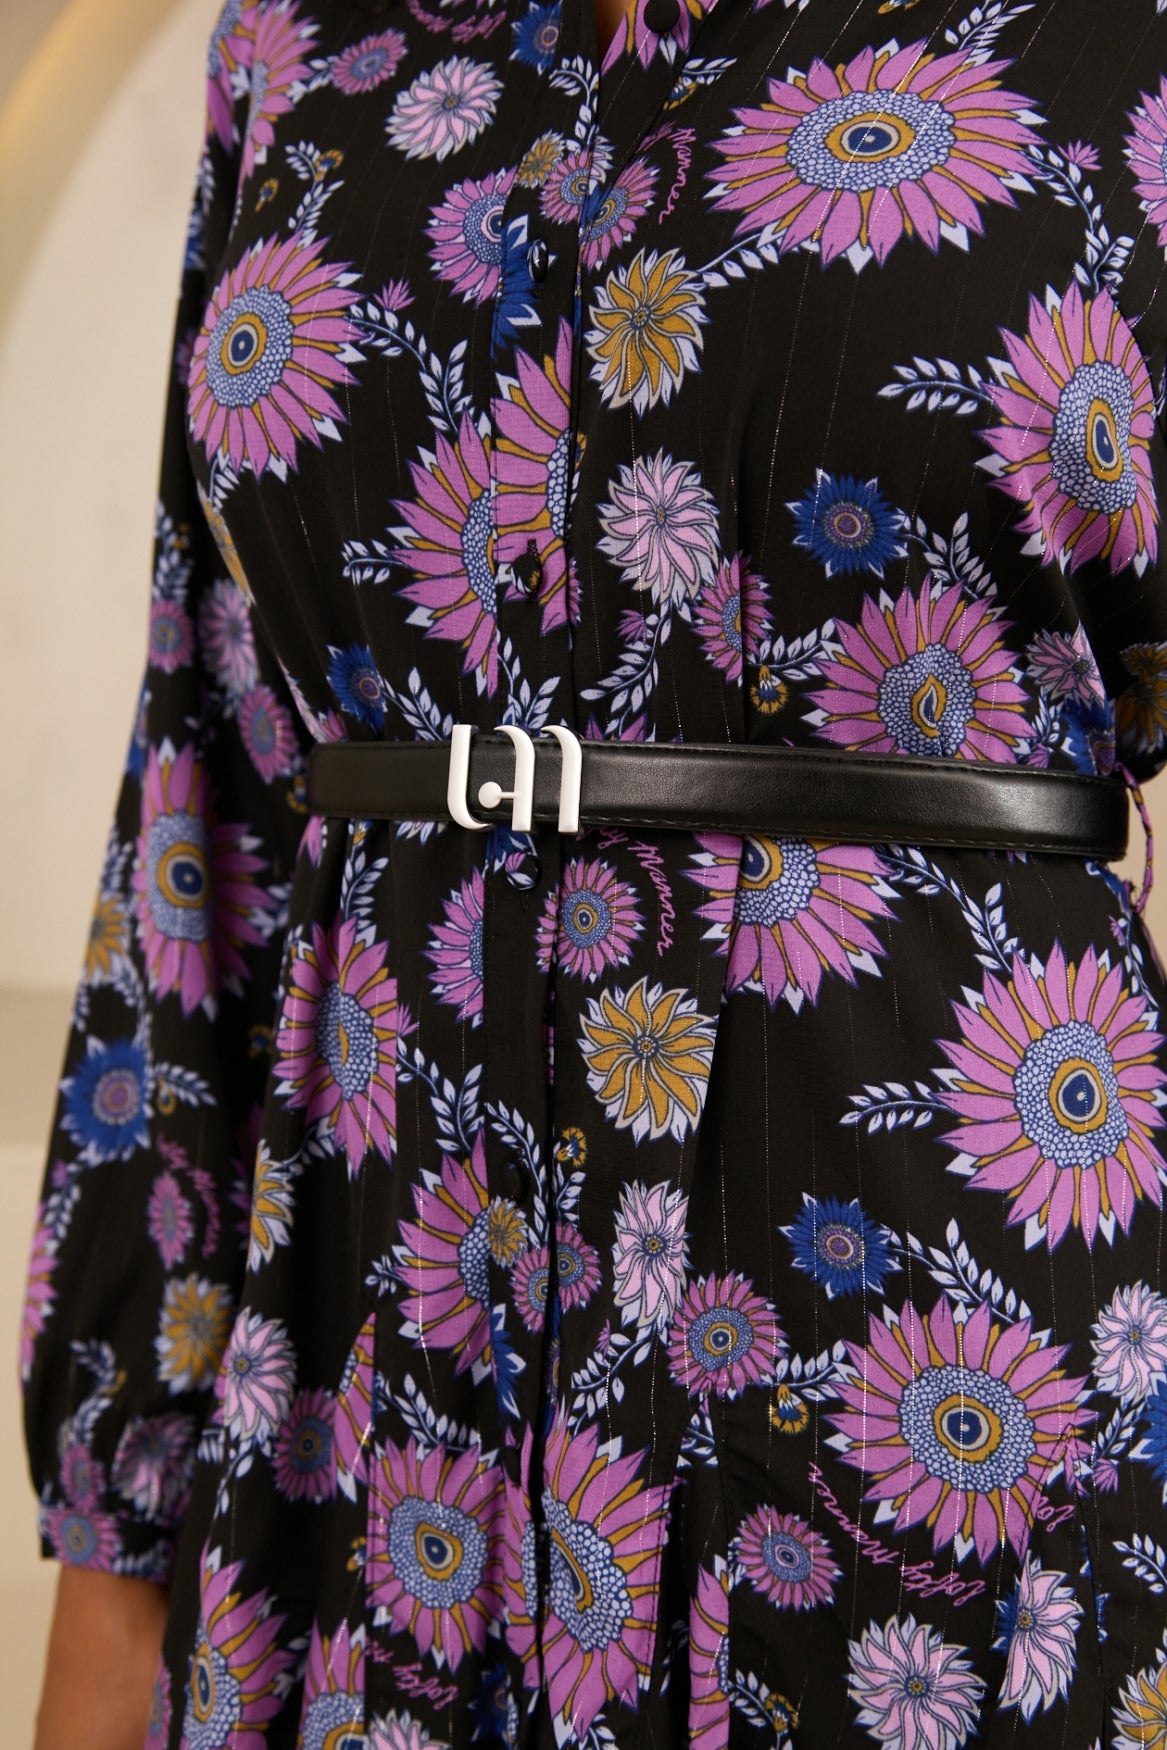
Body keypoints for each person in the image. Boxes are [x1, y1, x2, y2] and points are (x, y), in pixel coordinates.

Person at [23, 0, 1167, 1743]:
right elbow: (212, 792)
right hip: (362, 1406)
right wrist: (116, 1568)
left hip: (935, 1422)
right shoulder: (297, 35)